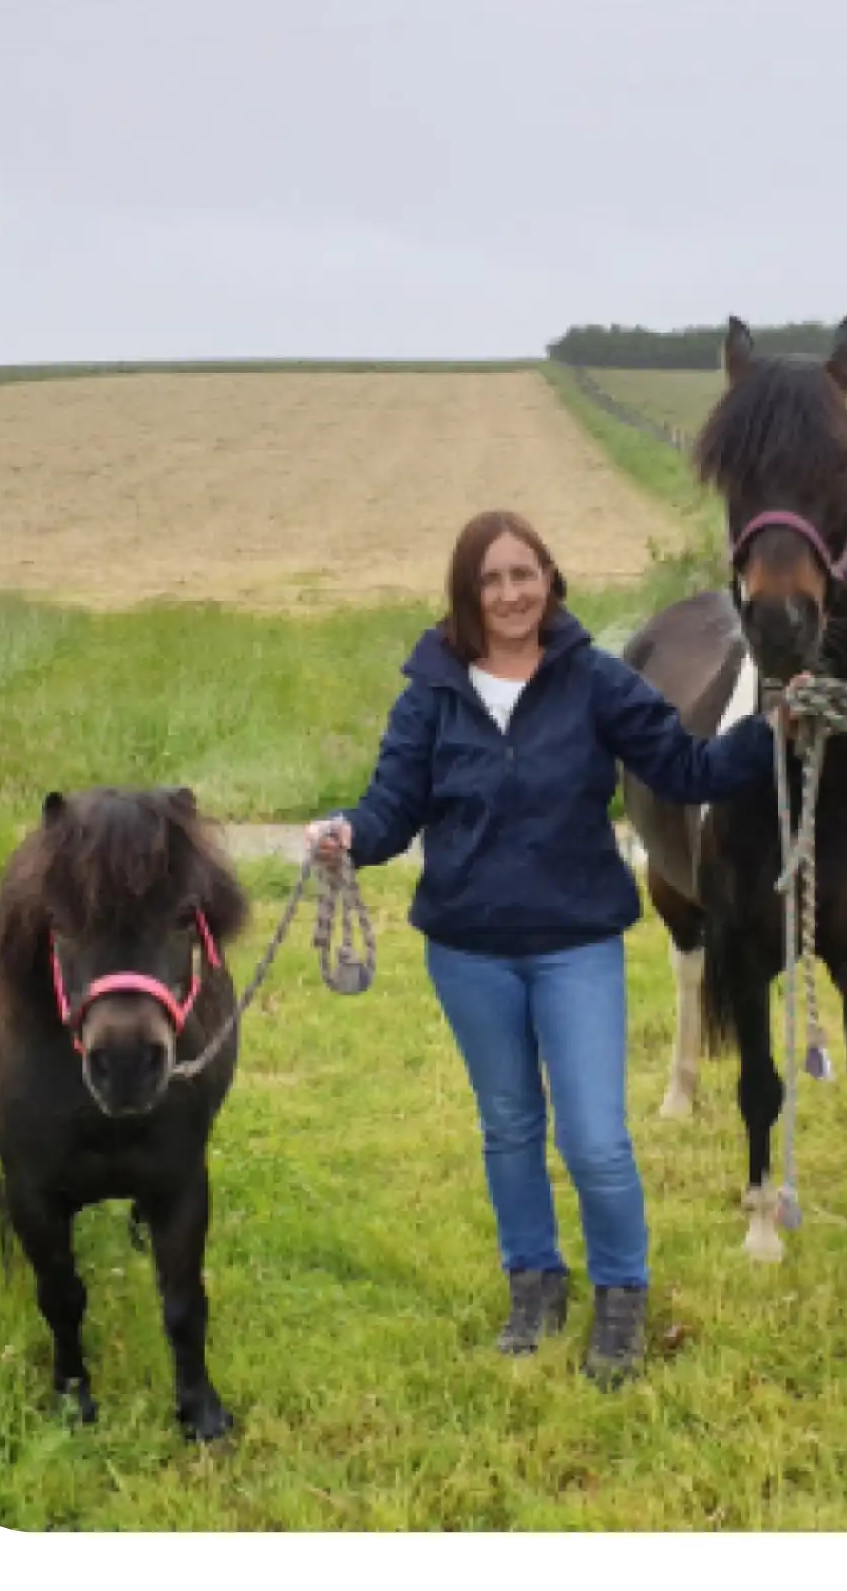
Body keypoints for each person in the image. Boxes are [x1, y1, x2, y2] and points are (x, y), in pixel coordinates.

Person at [306, 508, 784, 1389]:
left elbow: (682, 766)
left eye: (523, 573)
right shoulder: (431, 692)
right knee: (511, 1127)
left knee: (597, 1138)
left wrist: (765, 735)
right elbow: (390, 806)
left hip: (575, 946)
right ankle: (533, 1284)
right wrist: (348, 833)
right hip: (469, 951)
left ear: (549, 580)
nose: (509, 592)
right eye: (490, 579)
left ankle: (620, 1296)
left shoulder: (595, 681)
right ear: (466, 594)